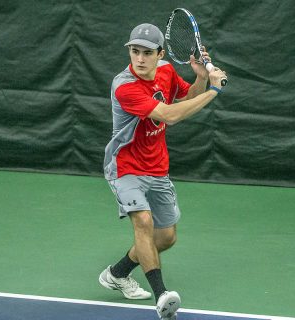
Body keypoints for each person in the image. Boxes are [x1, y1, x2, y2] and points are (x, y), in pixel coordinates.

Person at [99, 23, 227, 320]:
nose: (139, 59)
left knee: (166, 237)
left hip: (157, 167)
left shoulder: (167, 71)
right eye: (134, 52)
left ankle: (117, 273)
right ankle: (162, 295)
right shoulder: (125, 86)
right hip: (125, 167)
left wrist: (201, 78)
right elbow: (170, 115)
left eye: (146, 53)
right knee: (143, 221)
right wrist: (214, 92)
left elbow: (183, 98)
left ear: (160, 54)